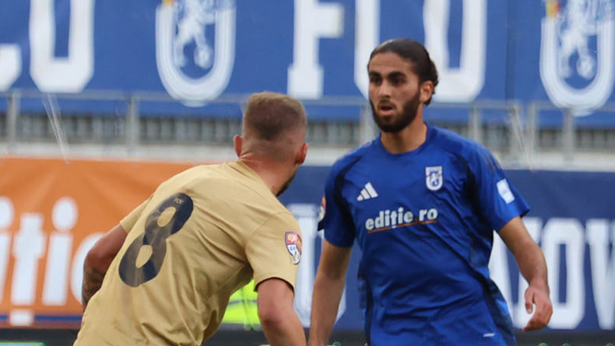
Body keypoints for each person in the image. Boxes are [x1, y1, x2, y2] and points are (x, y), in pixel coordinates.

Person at [308, 38, 553, 346]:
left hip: (473, 336)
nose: (383, 91)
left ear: (425, 90)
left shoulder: (465, 159)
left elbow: (522, 244)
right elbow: (330, 274)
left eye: (397, 80)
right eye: (375, 80)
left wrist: (538, 284)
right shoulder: (347, 174)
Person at [74, 92, 309, 346]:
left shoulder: (186, 179)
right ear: (301, 153)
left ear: (239, 145)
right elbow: (275, 313)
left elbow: (98, 257)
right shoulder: (273, 218)